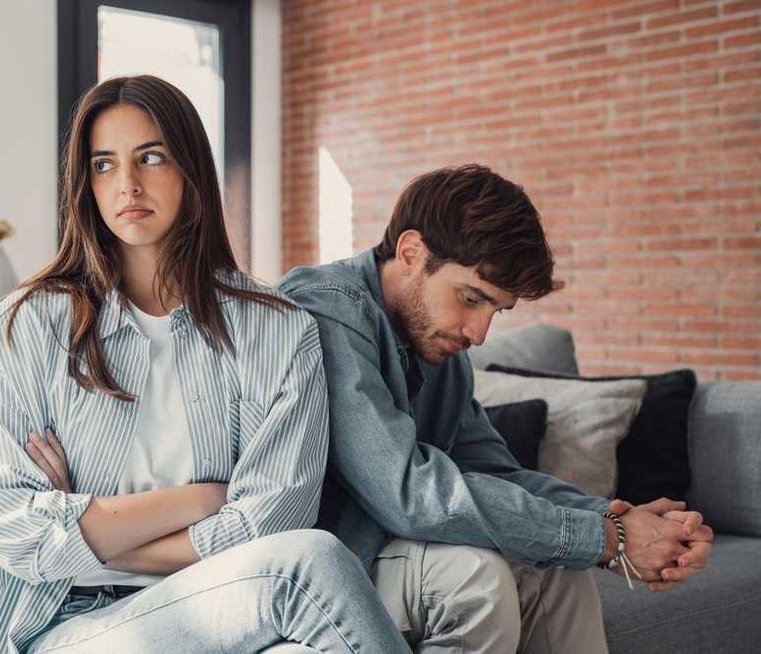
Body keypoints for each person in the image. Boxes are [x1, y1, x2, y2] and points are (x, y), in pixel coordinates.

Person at [0, 75, 410, 653]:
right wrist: (203, 498)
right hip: (60, 621)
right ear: (84, 183)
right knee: (311, 562)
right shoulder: (26, 327)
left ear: (190, 168)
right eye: (104, 165)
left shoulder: (277, 330)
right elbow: (12, 529)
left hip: (221, 601)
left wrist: (90, 528)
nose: (128, 184)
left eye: (152, 157)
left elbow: (272, 520)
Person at [278, 164, 714, 654]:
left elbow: (496, 472)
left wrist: (621, 522)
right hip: (323, 567)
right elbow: (407, 492)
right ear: (411, 253)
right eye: (470, 299)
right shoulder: (326, 309)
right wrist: (605, 539)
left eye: (496, 311)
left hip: (394, 553)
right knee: (478, 578)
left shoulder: (443, 354)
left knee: (561, 576)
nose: (479, 333)